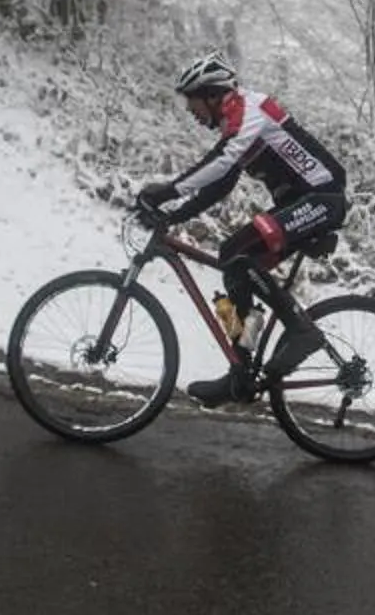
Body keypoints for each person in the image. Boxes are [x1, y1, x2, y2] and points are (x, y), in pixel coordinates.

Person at [132, 52, 349, 405]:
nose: (190, 110)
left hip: (323, 199)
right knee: (234, 267)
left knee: (234, 253)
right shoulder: (236, 122)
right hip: (300, 204)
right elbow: (222, 183)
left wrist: (166, 192)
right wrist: (174, 215)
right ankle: (241, 371)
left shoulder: (251, 107)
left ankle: (301, 332)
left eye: (193, 101)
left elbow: (222, 161)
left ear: (214, 94)